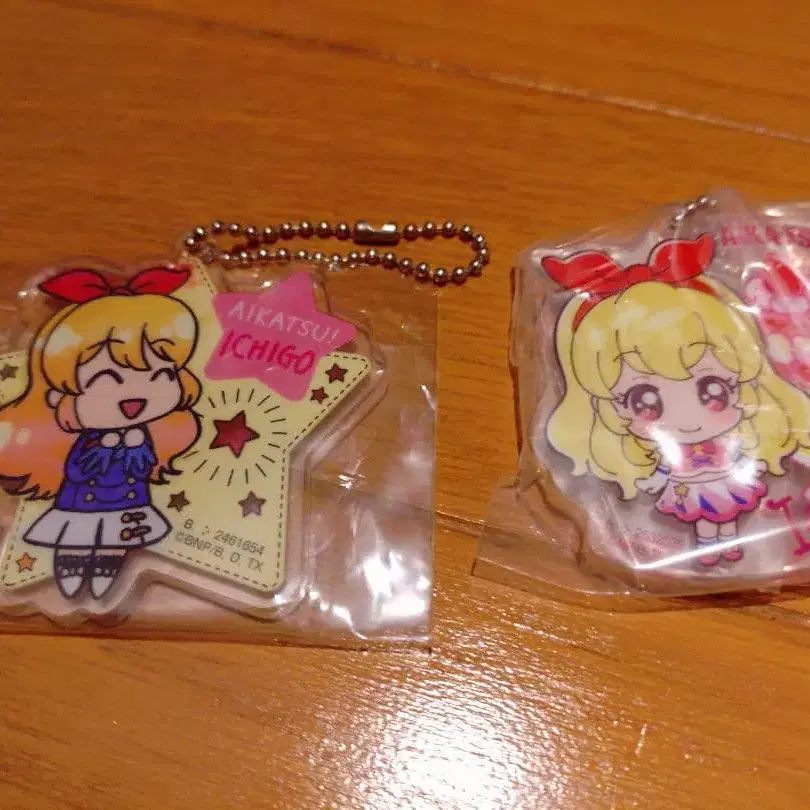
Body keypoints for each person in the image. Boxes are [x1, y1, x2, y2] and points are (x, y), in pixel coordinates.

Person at [544, 235, 810, 566]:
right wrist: (649, 478)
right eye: (645, 401)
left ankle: (725, 543)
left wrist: (754, 464)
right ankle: (710, 545)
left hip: (723, 483)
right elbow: (656, 472)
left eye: (713, 390)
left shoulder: (739, 436)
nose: (687, 418)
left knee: (726, 512)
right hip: (686, 489)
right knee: (705, 517)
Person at [0, 266, 201, 598]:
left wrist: (134, 447)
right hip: (81, 503)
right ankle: (72, 564)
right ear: (63, 391)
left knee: (116, 539)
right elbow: (75, 470)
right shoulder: (86, 437)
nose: (134, 395)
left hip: (128, 505)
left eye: (160, 375)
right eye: (107, 379)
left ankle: (107, 567)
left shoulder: (144, 437)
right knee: (77, 537)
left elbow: (143, 468)